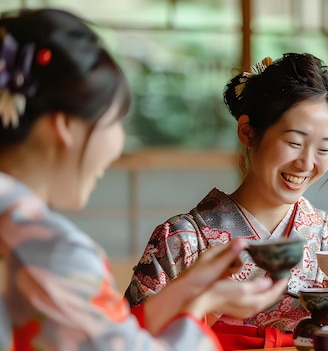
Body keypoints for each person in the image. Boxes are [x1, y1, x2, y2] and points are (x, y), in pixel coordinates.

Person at [0, 8, 288, 350]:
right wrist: (199, 306)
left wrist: (192, 290)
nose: (119, 143)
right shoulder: (51, 251)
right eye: (114, 121)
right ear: (64, 125)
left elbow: (109, 332)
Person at [124, 52, 328, 350]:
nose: (306, 163)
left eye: (323, 149)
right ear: (248, 132)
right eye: (294, 142)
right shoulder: (182, 239)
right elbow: (128, 339)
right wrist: (209, 304)